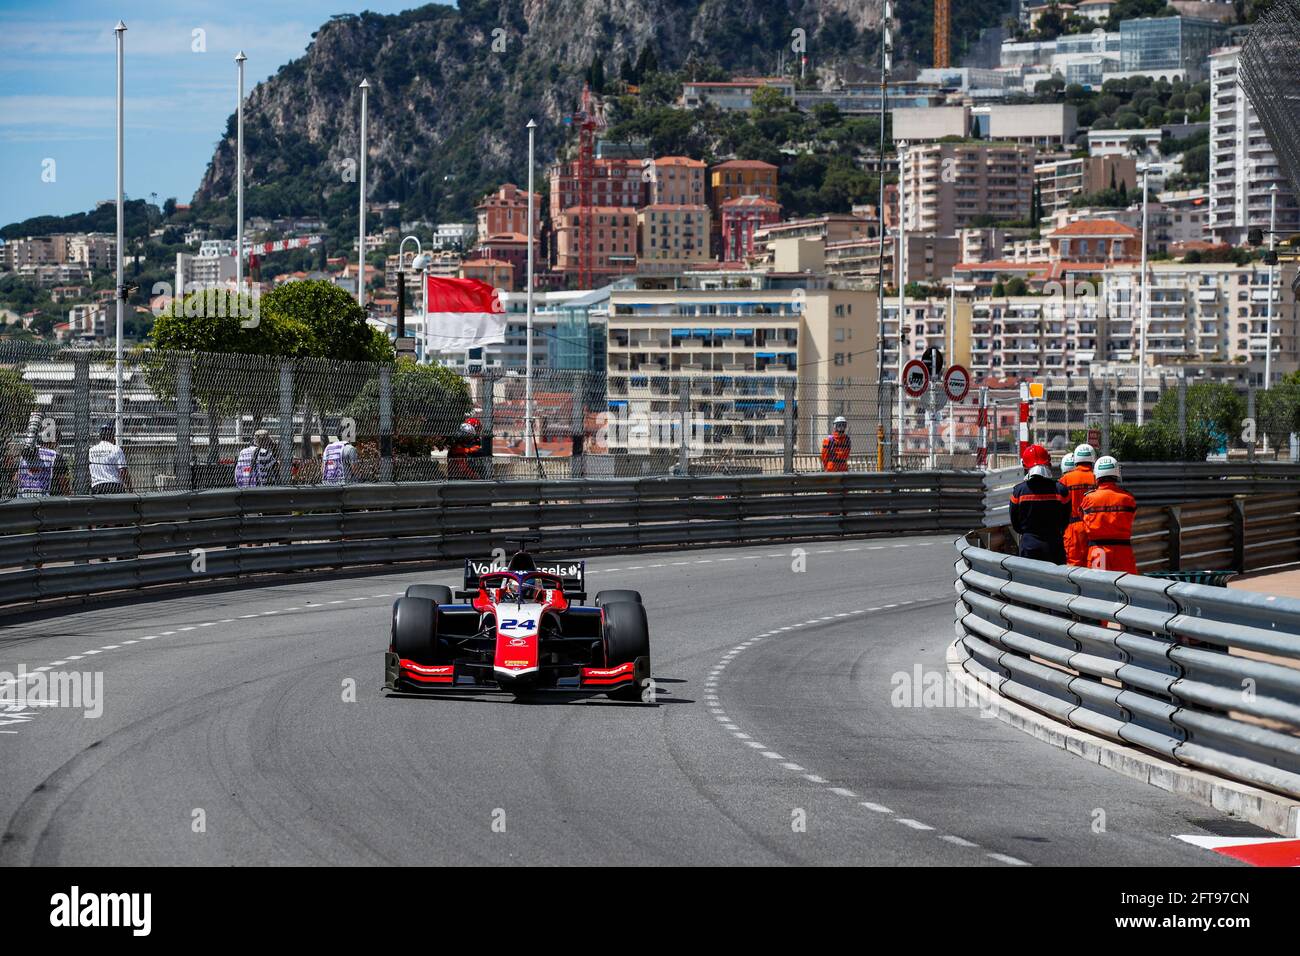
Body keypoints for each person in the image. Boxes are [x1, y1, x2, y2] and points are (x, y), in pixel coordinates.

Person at [1009, 443, 1070, 563]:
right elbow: (1065, 520)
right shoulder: (1061, 490)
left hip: (1029, 545)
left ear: (1025, 467)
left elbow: (1015, 523)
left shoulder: (1018, 492)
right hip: (1054, 545)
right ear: (1049, 464)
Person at [1081, 455, 1137, 574]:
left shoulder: (1088, 498)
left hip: (1098, 552)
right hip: (1123, 552)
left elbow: (1083, 519)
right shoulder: (1128, 498)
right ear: (1116, 473)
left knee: (1097, 589)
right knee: (1126, 588)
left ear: (1097, 474)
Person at [1060, 442, 1098, 567]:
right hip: (1094, 527)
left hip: (1073, 528)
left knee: (1073, 566)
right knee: (1095, 565)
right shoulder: (1097, 478)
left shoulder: (1065, 479)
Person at [14, 424, 69, 498]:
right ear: (54, 441)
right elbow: (64, 484)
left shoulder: (25, 454)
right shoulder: (55, 457)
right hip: (49, 501)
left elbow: (15, 479)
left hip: (23, 499)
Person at [89, 421, 132, 495]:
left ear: (100, 436)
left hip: (97, 487)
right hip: (114, 486)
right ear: (112, 436)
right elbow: (123, 471)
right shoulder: (115, 449)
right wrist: (130, 489)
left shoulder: (91, 451)